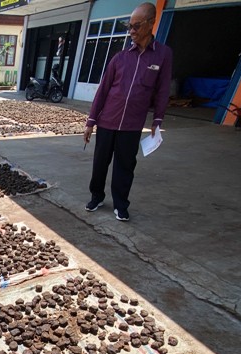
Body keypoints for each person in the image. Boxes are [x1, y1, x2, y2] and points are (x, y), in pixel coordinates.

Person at [83, 2, 172, 222]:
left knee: (125, 166)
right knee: (100, 163)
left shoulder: (162, 55)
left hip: (132, 125)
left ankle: (121, 204)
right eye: (129, 27)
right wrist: (91, 121)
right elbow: (103, 90)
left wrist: (158, 119)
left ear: (151, 23)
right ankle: (96, 196)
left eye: (136, 26)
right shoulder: (120, 58)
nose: (132, 31)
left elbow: (162, 90)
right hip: (107, 121)